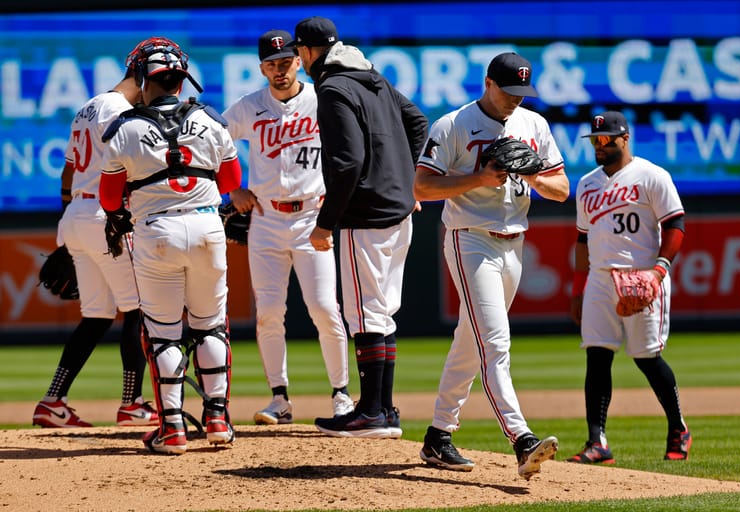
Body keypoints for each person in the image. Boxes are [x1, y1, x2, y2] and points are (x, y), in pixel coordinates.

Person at [413, 52, 566, 479]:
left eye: (522, 91)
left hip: (514, 243)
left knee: (470, 340)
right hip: (470, 239)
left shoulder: (534, 125)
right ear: (488, 83)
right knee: (494, 342)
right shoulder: (454, 125)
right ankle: (521, 439)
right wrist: (479, 178)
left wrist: (533, 174)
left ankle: (438, 435)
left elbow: (561, 189)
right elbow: (422, 185)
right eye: (509, 90)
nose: (516, 99)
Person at [98, 37, 242, 454]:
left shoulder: (125, 128)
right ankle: (217, 419)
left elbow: (109, 198)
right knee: (211, 323)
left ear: (144, 79)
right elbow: (232, 182)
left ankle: (173, 429)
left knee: (162, 334)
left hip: (155, 232)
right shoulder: (211, 120)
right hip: (206, 228)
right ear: (182, 80)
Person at [289, 16, 428, 438]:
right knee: (382, 312)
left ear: (308, 52)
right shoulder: (374, 79)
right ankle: (383, 410)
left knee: (365, 313)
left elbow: (347, 164)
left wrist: (324, 223)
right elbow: (419, 122)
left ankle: (370, 412)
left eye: (300, 51)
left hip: (364, 217)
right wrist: (410, 180)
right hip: (399, 211)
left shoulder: (331, 88)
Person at [222, 29, 354, 425]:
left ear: (299, 60)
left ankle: (342, 395)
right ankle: (279, 398)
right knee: (268, 312)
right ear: (261, 68)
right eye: (270, 65)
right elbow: (211, 144)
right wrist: (232, 188)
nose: (279, 71)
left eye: (285, 62)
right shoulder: (249, 107)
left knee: (324, 308)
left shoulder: (321, 99)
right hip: (266, 218)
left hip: (312, 217)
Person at [32, 41, 159, 429]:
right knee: (139, 308)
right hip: (105, 216)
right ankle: (133, 402)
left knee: (97, 315)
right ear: (141, 74)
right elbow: (128, 169)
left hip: (78, 214)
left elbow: (68, 171)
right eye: (155, 79)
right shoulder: (120, 111)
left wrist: (74, 213)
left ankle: (52, 401)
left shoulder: (89, 105)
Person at [568, 110, 691, 464]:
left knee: (646, 357)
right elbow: (581, 239)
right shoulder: (588, 183)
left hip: (642, 276)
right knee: (597, 354)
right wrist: (578, 287)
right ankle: (597, 442)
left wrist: (658, 271)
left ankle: (678, 427)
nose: (599, 145)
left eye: (605, 138)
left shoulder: (651, 176)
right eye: (595, 140)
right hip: (601, 280)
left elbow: (676, 225)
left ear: (625, 138)